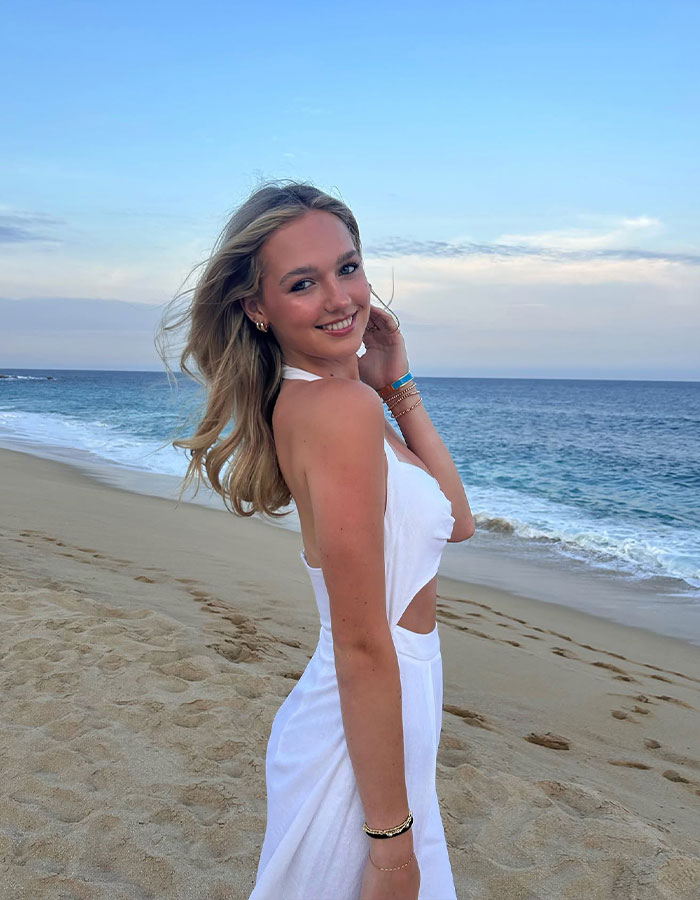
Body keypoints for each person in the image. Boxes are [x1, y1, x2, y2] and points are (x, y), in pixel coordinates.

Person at [157, 180, 475, 899]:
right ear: (257, 308)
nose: (340, 299)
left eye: (349, 268)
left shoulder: (344, 402)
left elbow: (456, 521)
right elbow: (364, 642)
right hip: (358, 725)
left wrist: (397, 384)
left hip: (391, 708)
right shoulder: (335, 409)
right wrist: (391, 847)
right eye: (303, 283)